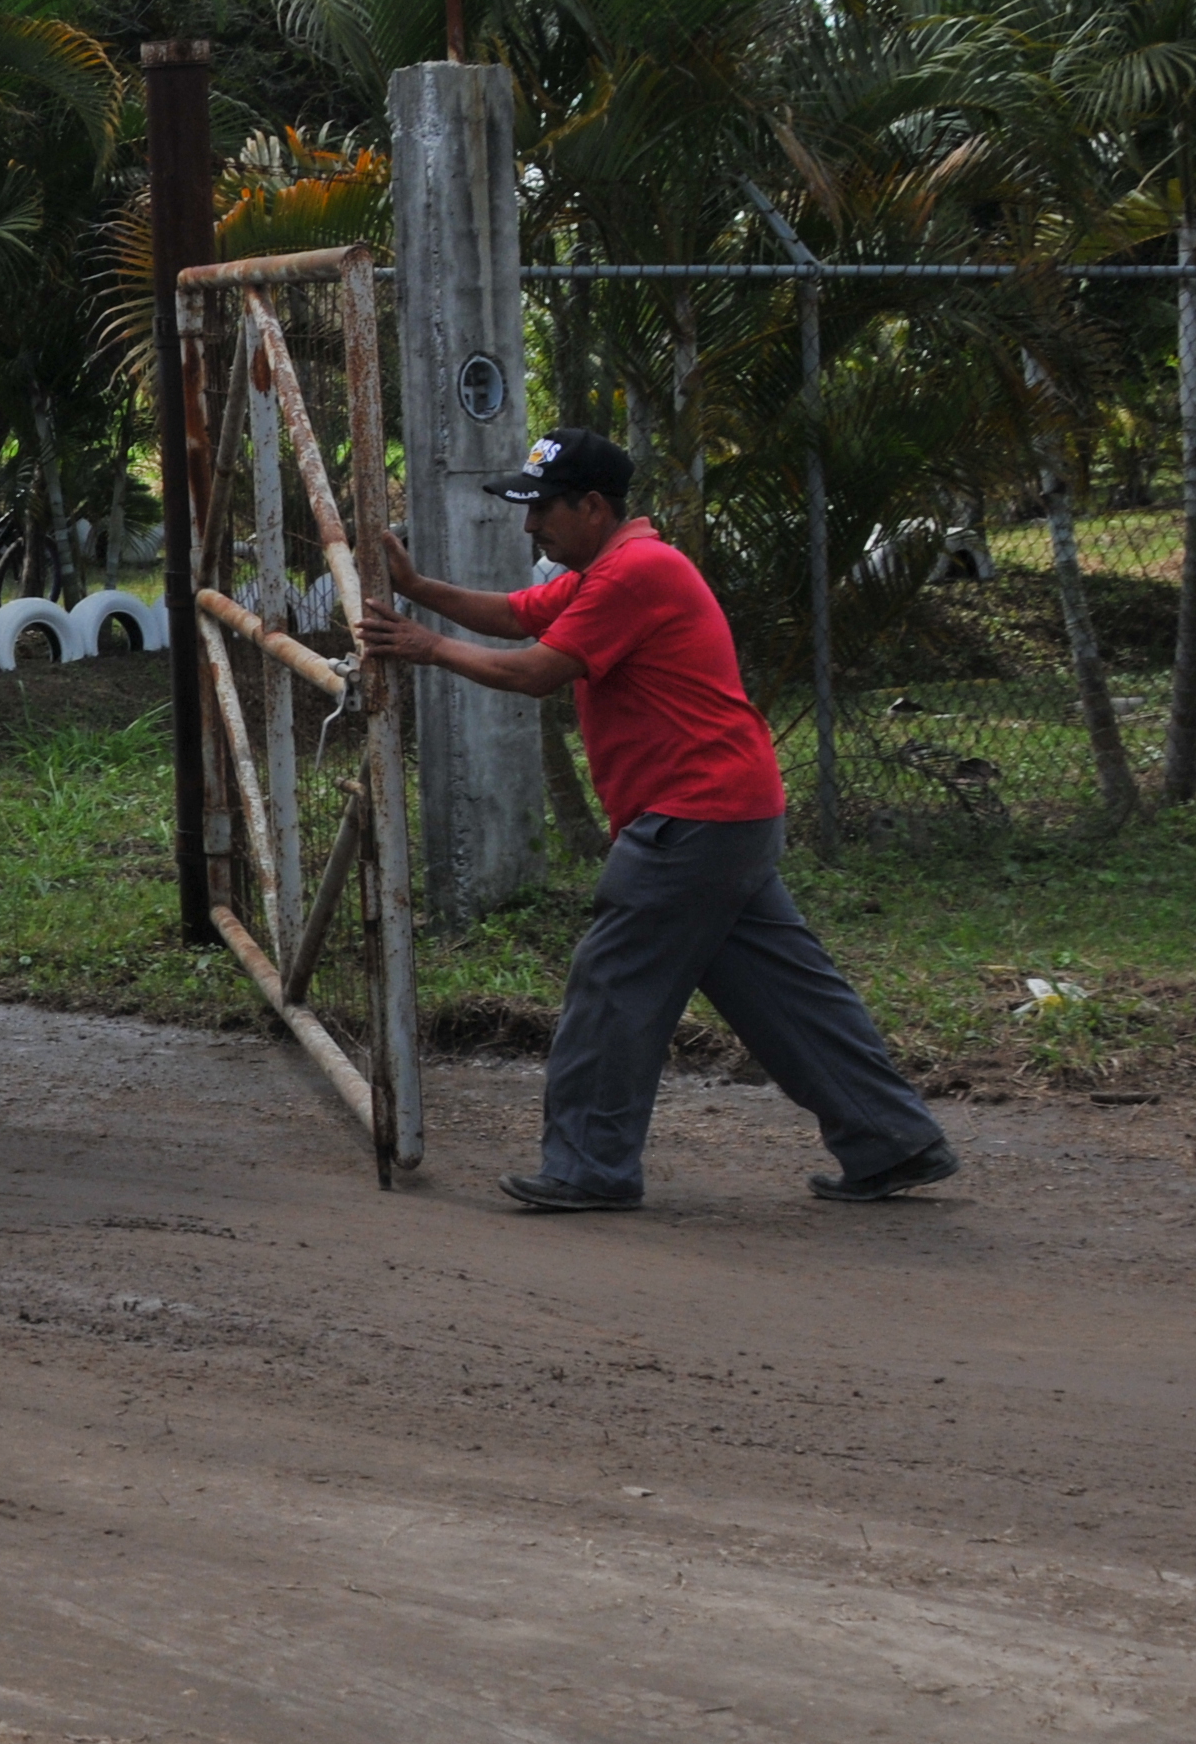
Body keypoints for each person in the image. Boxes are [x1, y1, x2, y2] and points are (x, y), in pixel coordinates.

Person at [357, 429, 957, 1214]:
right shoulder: (613, 569)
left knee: (613, 986)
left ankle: (588, 1168)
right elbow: (515, 616)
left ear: (593, 506)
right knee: (786, 994)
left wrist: (425, 646)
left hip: (691, 818)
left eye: (541, 509)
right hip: (729, 813)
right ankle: (892, 1140)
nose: (530, 527)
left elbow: (537, 671)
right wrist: (421, 589)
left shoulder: (634, 573)